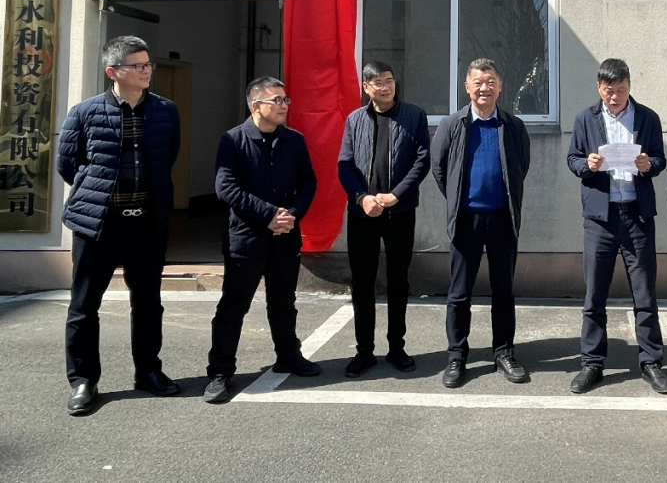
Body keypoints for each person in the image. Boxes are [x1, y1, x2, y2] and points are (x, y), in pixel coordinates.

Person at [57, 36, 181, 416]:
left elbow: (168, 156)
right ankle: (83, 380)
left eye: (148, 64)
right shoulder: (85, 112)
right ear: (113, 72)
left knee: (148, 303)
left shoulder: (165, 111)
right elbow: (68, 164)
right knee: (84, 305)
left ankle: (148, 371)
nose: (146, 70)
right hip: (99, 223)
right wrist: (98, 193)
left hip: (147, 222)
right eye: (137, 65)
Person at [203, 77, 319, 403]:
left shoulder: (294, 141)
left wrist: (291, 214)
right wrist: (268, 215)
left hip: (285, 237)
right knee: (233, 306)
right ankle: (221, 371)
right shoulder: (233, 141)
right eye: (276, 100)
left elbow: (308, 183)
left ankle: (288, 355)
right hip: (246, 239)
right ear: (256, 105)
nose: (284, 106)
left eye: (285, 100)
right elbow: (226, 188)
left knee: (283, 303)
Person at [566, 58, 667, 395]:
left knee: (644, 293)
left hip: (636, 216)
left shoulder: (647, 117)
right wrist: (587, 164)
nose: (614, 97)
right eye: (608, 91)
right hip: (601, 218)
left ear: (629, 86)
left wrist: (648, 164)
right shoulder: (585, 118)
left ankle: (651, 362)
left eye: (621, 91)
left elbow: (660, 158)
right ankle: (592, 363)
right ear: (599, 88)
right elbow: (572, 159)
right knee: (594, 294)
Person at [431, 58, 530, 388]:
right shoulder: (453, 125)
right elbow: (440, 169)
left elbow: (521, 167)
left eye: (490, 82)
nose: (484, 88)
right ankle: (457, 356)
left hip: (502, 218)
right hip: (466, 220)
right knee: (460, 293)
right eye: (478, 82)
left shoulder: (513, 126)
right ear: (467, 87)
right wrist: (458, 199)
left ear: (500, 87)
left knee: (503, 291)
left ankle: (504, 353)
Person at [338, 61, 431, 377]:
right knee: (362, 282)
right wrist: (362, 198)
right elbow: (345, 165)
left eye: (389, 80)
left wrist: (396, 195)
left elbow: (422, 161)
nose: (385, 86)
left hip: (399, 213)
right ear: (366, 88)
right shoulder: (354, 120)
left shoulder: (414, 116)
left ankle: (396, 348)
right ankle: (364, 351)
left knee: (398, 281)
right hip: (362, 214)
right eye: (377, 82)